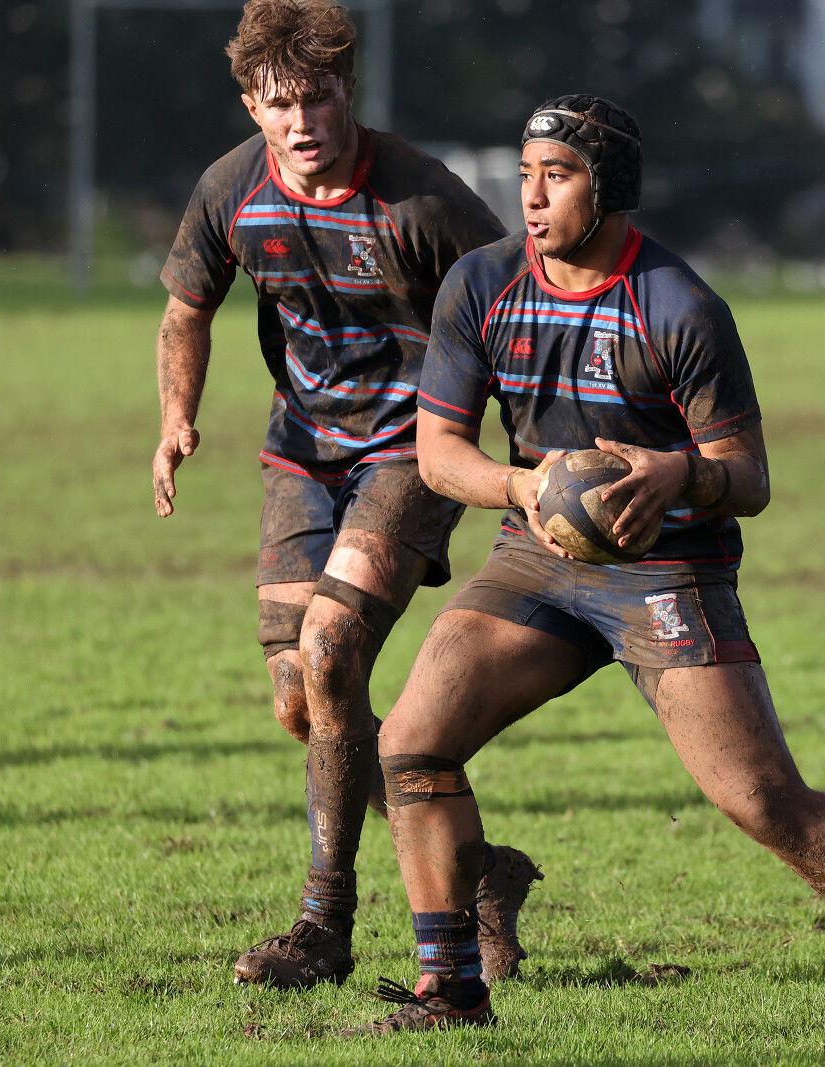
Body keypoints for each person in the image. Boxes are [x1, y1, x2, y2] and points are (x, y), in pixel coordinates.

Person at [345, 95, 825, 1036]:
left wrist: (678, 472)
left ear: (608, 187)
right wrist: (520, 486)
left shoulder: (680, 306)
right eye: (526, 175)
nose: (531, 197)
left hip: (669, 571)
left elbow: (750, 477)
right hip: (536, 557)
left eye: (557, 176)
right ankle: (451, 993)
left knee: (766, 802)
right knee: (411, 745)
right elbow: (439, 454)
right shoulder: (482, 284)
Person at [153, 0, 540, 990]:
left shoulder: (421, 197)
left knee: (331, 651)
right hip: (301, 452)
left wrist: (531, 464)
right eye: (279, 103)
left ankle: (323, 924)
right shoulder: (231, 189)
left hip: (413, 449)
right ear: (252, 107)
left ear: (347, 93)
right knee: (303, 698)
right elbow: (186, 308)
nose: (301, 121)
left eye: (317, 98)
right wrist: (176, 418)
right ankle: (479, 872)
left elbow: (520, 308)